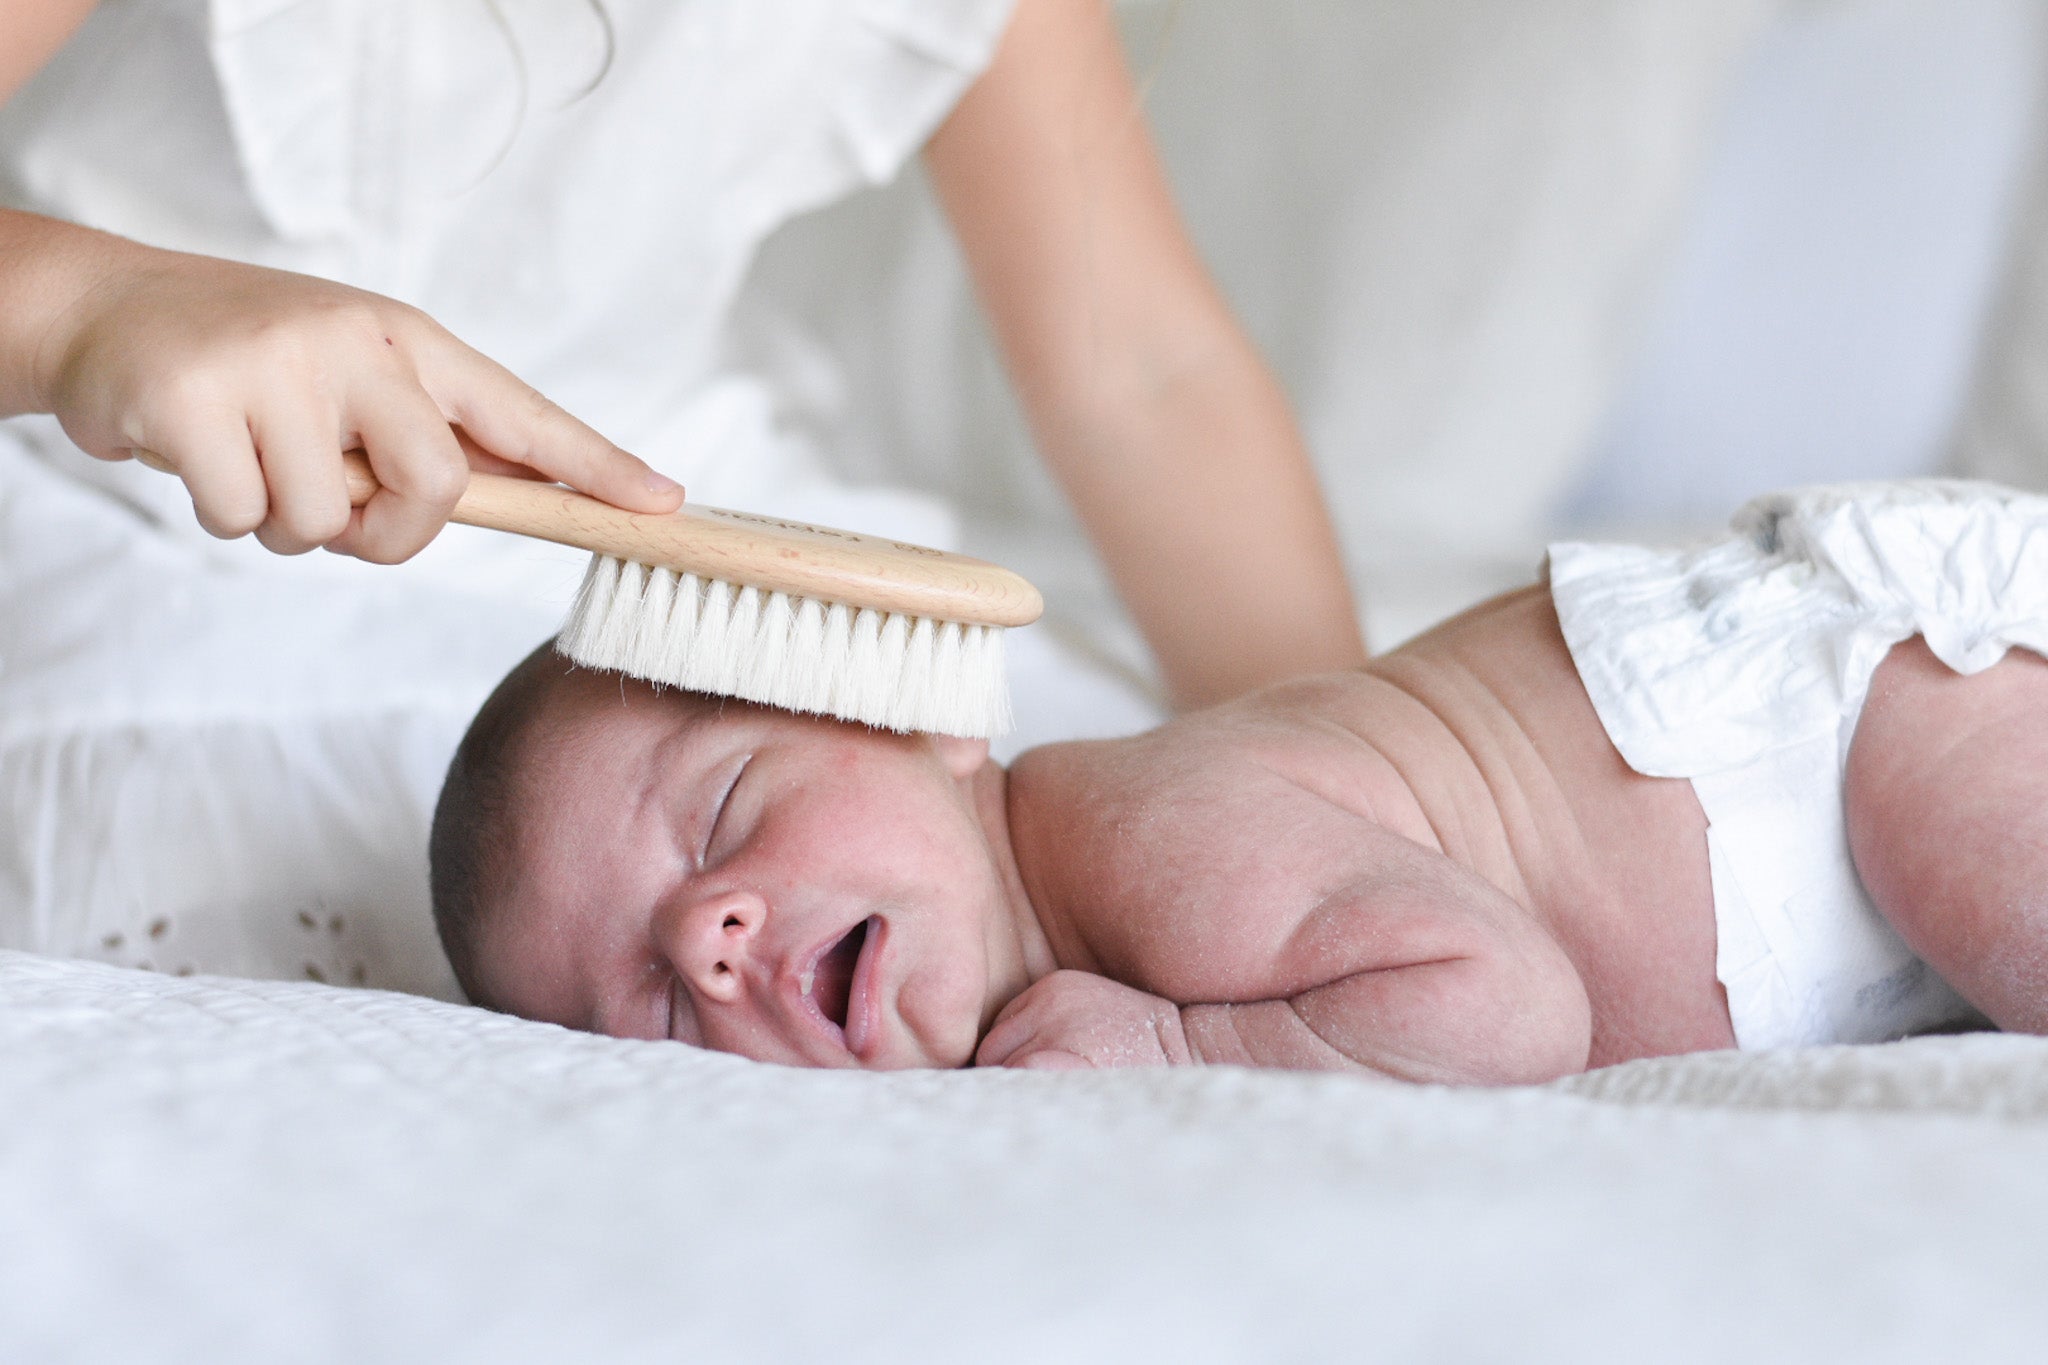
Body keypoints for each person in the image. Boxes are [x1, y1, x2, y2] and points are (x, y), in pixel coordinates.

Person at [0, 0, 1363, 986]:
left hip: (687, 561)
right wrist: (88, 307)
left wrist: (1347, 771)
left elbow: (1138, 372)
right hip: (164, 567)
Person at [435, 480, 2048, 1076]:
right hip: (1811, 849)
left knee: (1994, 880)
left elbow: (1511, 1005)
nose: (711, 936)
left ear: (919, 713)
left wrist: (1174, 1040)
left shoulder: (1135, 834)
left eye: (725, 817)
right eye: (644, 1002)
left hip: (1835, 719)